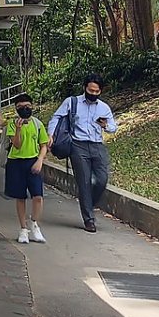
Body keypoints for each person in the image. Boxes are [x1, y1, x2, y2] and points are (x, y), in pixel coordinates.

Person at [48, 73, 117, 232]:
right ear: (85, 87)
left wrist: (106, 125)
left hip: (97, 145)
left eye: (96, 91)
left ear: (100, 91)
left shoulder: (103, 107)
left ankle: (88, 204)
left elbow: (113, 128)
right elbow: (56, 117)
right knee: (84, 182)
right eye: (90, 90)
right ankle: (89, 219)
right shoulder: (72, 102)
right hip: (78, 145)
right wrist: (50, 134)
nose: (92, 94)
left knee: (102, 178)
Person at [5, 94, 48, 244]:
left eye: (28, 106)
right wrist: (17, 129)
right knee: (20, 196)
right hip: (16, 162)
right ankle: (23, 229)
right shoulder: (12, 123)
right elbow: (16, 144)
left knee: (38, 196)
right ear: (16, 109)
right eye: (21, 107)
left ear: (32, 106)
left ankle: (34, 224)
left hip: (33, 161)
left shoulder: (37, 124)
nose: (25, 109)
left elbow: (44, 145)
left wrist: (40, 160)